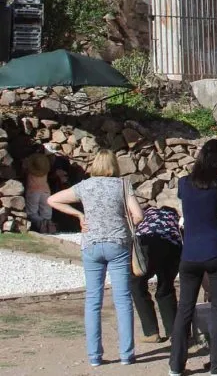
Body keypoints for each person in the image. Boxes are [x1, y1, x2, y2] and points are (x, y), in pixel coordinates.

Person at [48, 150, 144, 368]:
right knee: (122, 300)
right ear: (113, 165)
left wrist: (80, 215)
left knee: (93, 301)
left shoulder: (85, 186)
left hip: (91, 244)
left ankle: (94, 356)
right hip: (118, 244)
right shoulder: (122, 185)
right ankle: (126, 355)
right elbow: (138, 215)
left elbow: (52, 199)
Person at [169, 139, 217, 376]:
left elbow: (189, 211)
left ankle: (176, 366)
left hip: (190, 254)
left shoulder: (184, 183)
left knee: (185, 308)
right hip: (216, 251)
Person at [131, 206, 182, 343]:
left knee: (137, 285)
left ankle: (151, 332)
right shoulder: (173, 216)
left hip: (148, 245)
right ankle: (174, 333)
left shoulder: (146, 214)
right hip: (173, 247)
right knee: (166, 289)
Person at [24, 152, 55, 233]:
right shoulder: (44, 170)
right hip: (46, 190)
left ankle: (42, 225)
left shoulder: (29, 169)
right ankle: (49, 226)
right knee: (46, 212)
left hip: (33, 191)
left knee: (32, 212)